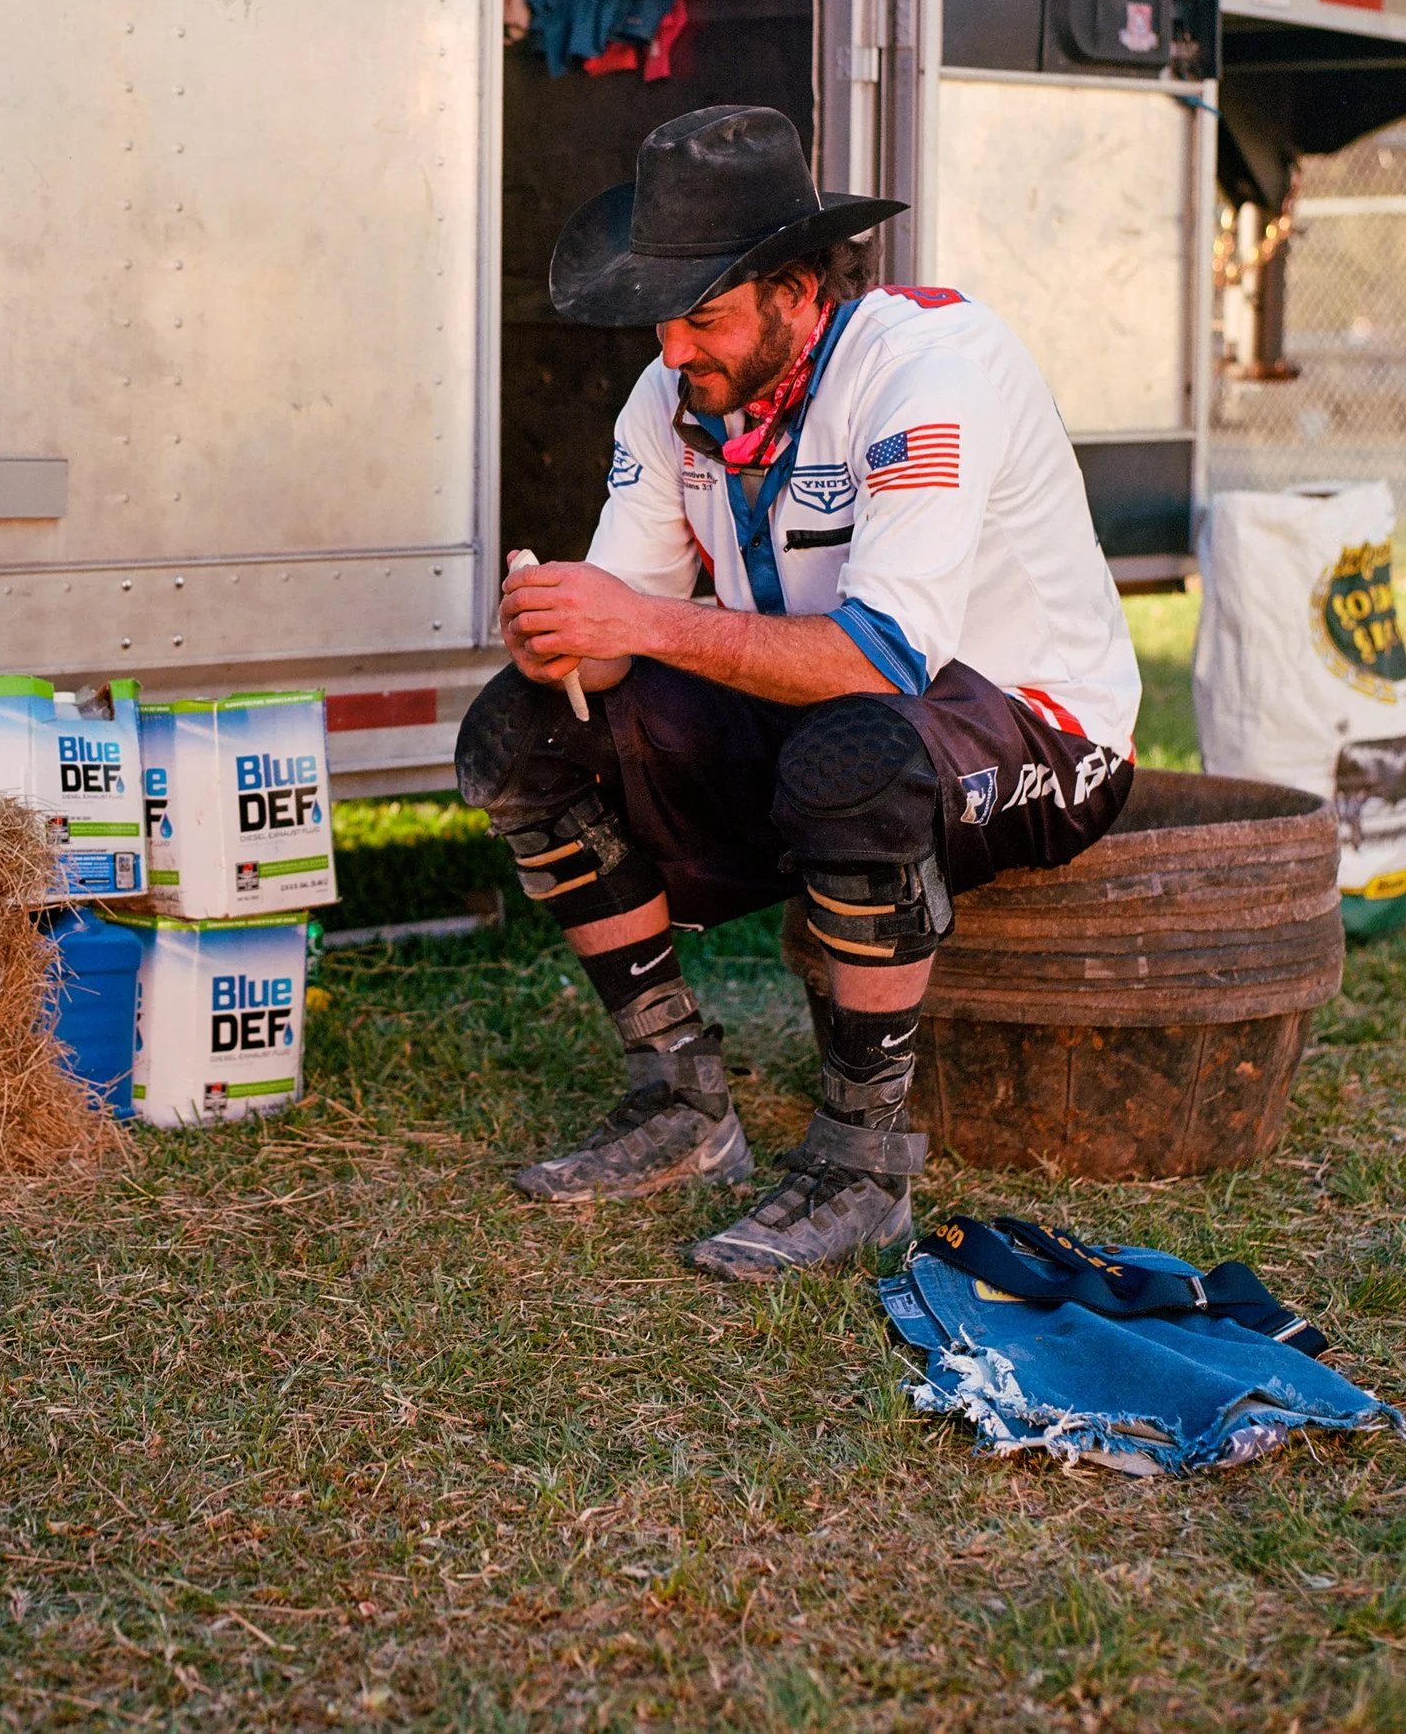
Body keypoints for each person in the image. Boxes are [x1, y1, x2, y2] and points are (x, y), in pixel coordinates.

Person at [461, 105, 1140, 1278]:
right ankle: (677, 1101)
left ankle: (864, 1163)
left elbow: (881, 656)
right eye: (661, 315)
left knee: (854, 759)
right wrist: (562, 639)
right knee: (520, 737)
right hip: (828, 707)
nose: (674, 349)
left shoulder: (927, 372)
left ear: (794, 290)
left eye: (704, 315)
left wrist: (642, 623)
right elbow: (622, 644)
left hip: (1038, 725)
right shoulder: (673, 389)